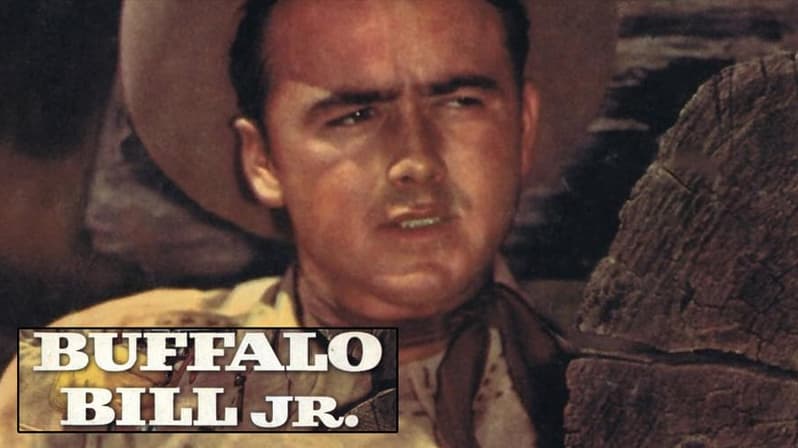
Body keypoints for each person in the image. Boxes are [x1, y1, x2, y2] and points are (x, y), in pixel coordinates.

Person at [0, 0, 615, 447]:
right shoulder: (101, 381)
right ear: (262, 160)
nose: (417, 161)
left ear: (522, 128)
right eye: (354, 116)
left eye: (461, 103)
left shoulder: (612, 402)